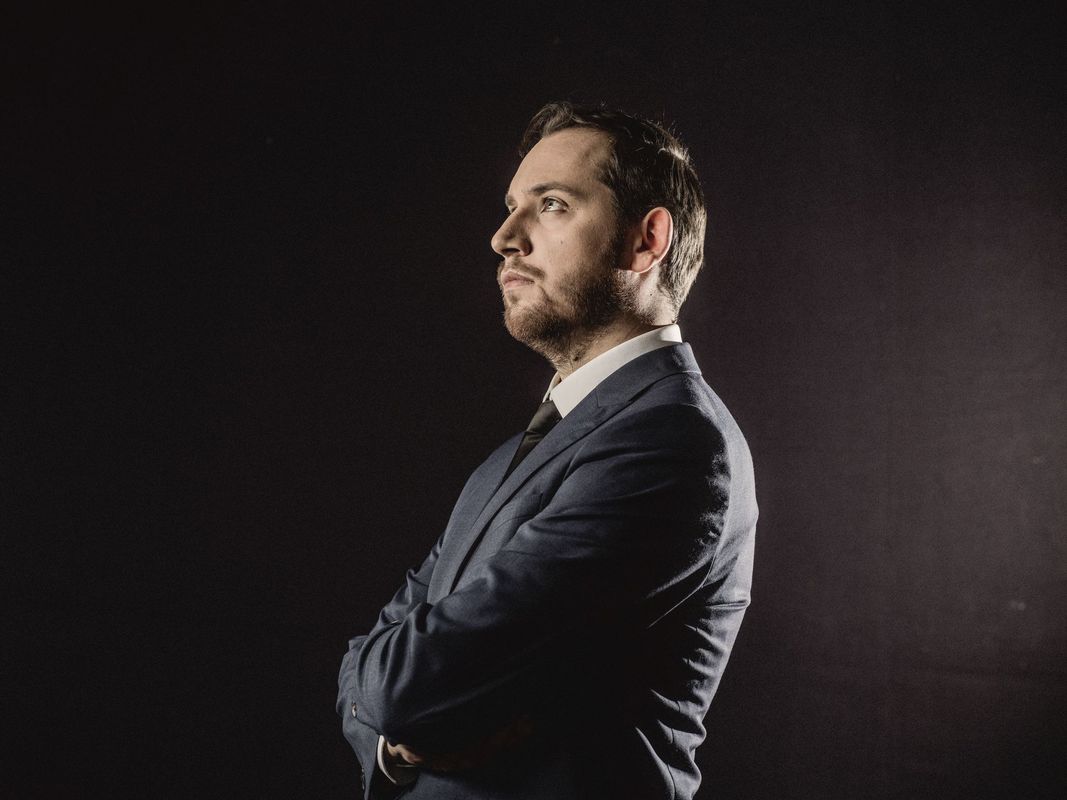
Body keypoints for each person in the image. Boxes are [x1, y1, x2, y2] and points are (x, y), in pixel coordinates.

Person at [337, 101, 757, 800]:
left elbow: (405, 687)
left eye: (552, 205)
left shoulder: (672, 441)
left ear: (646, 241)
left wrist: (402, 704)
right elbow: (371, 669)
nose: (504, 237)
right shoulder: (514, 456)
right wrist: (394, 737)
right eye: (511, 208)